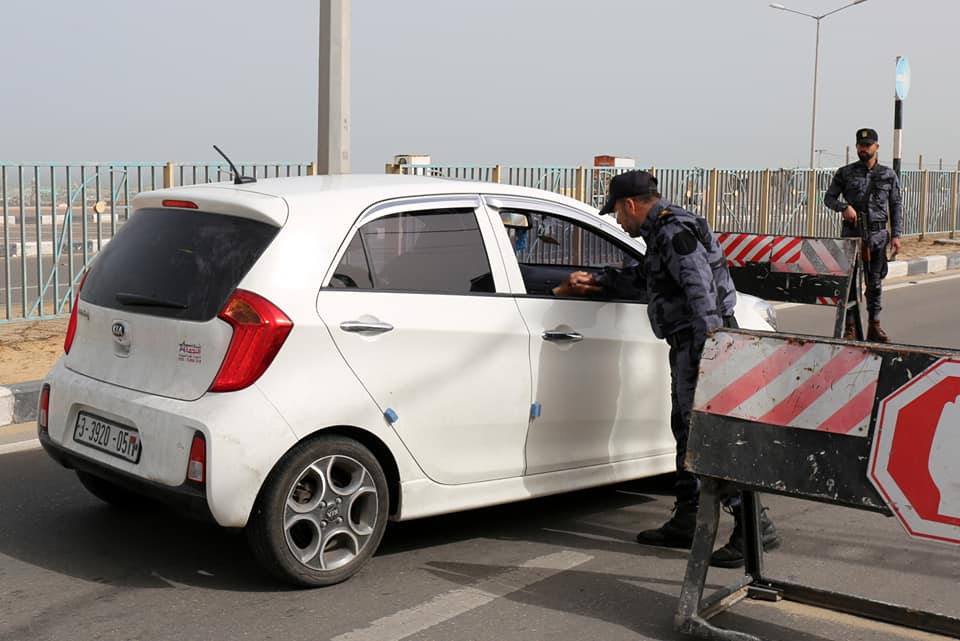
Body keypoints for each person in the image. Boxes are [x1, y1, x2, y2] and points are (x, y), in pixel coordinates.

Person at [552, 170, 781, 568]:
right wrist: (600, 281)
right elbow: (649, 279)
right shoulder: (662, 231)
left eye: (619, 215)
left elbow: (700, 290)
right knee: (684, 430)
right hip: (692, 341)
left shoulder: (674, 231)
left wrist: (708, 352)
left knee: (705, 434)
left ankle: (754, 526)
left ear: (631, 204)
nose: (619, 224)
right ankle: (688, 518)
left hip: (701, 342)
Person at [824, 127, 904, 342]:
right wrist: (844, 208)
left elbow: (895, 205)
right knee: (849, 286)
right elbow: (828, 198)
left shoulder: (888, 175)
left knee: (875, 283)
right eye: (860, 145)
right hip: (852, 236)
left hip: (878, 236)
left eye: (867, 146)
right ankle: (850, 327)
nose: (863, 149)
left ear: (876, 147)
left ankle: (874, 325)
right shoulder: (845, 172)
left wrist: (896, 235)